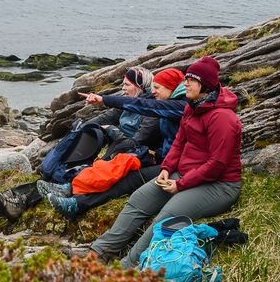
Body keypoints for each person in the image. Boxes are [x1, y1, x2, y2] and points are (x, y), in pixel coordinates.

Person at [89, 56, 242, 268]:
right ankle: (99, 252)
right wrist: (167, 168)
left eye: (191, 80)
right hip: (186, 175)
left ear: (205, 85)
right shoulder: (192, 106)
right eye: (186, 78)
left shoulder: (223, 118)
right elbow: (179, 142)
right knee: (139, 198)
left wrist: (180, 184)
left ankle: (127, 267)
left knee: (168, 215)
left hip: (219, 184)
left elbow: (217, 164)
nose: (185, 83)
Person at [0, 66, 157, 221]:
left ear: (140, 87)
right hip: (116, 150)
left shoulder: (150, 110)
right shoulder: (127, 105)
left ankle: (15, 200)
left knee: (72, 179)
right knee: (87, 136)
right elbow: (102, 118)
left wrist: (111, 130)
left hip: (130, 157)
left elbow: (136, 143)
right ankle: (12, 197)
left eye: (127, 85)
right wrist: (81, 131)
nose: (123, 89)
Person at [43, 67, 187, 220]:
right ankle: (69, 185)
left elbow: (144, 112)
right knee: (117, 160)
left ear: (170, 87)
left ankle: (77, 203)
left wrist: (106, 109)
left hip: (175, 164)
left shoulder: (177, 107)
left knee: (128, 177)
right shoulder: (171, 104)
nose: (153, 91)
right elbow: (173, 141)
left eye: (157, 88)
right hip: (164, 157)